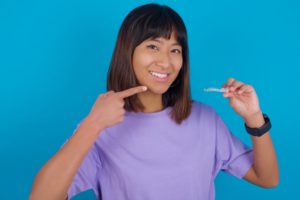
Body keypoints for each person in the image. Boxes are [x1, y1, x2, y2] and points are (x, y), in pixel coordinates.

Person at [29, 3, 279, 200]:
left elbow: (267, 178)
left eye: (175, 50)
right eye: (153, 46)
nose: (166, 62)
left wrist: (254, 118)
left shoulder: (205, 119)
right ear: (128, 52)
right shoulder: (100, 129)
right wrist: (92, 125)